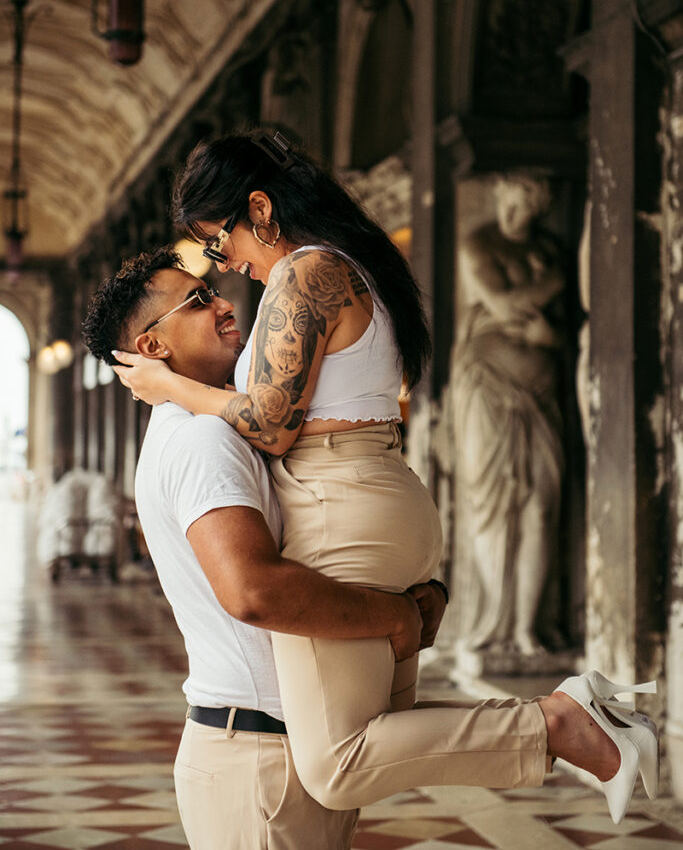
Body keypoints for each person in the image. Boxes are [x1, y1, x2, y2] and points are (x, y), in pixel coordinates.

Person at [109, 133, 658, 825]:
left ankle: (562, 723)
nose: (229, 266)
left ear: (259, 208)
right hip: (369, 494)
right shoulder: (342, 266)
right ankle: (564, 722)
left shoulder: (305, 273)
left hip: (339, 504)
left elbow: (272, 425)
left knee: (339, 763)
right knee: (373, 735)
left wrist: (168, 385)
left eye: (220, 242)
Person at [82, 247, 442, 850]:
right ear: (152, 348)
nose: (225, 303)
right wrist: (394, 617)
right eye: (198, 301)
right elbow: (252, 591)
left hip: (284, 747)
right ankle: (562, 729)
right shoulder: (201, 440)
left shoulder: (220, 427)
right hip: (256, 761)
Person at [448, 171, 565, 657]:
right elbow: (502, 302)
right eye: (508, 203)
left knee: (540, 506)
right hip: (486, 389)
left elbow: (560, 324)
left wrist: (549, 338)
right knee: (494, 506)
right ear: (498, 194)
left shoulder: (551, 248)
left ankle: (525, 627)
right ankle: (492, 622)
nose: (513, 215)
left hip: (541, 390)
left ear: (538, 209)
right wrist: (553, 283)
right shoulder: (478, 243)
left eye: (524, 208)